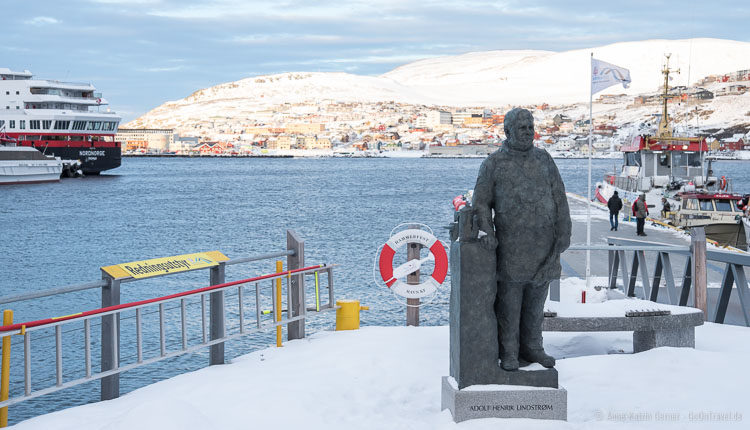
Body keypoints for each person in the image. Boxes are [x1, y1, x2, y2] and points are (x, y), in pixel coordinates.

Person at [473, 108, 571, 371]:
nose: (528, 132)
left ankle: (534, 347)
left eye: (530, 127)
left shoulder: (544, 160)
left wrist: (563, 234)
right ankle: (509, 351)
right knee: (510, 304)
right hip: (511, 248)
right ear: (508, 132)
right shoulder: (494, 164)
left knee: (535, 305)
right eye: (522, 128)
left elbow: (560, 199)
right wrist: (488, 234)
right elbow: (481, 203)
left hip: (543, 247)